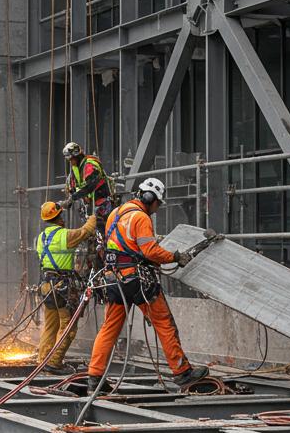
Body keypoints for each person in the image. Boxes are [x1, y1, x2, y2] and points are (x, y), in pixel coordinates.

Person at [86, 177, 209, 394]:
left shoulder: (116, 213)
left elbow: (119, 247)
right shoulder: (141, 217)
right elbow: (150, 251)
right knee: (163, 322)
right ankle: (182, 373)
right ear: (149, 198)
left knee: (109, 329)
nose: (157, 209)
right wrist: (175, 256)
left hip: (114, 280)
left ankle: (95, 378)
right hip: (137, 281)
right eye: (157, 204)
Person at [35, 201, 98, 373]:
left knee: (50, 326)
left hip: (46, 287)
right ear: (59, 217)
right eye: (61, 215)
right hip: (61, 288)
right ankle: (54, 362)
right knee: (69, 327)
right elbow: (86, 231)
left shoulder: (40, 238)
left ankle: (43, 360)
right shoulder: (65, 236)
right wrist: (93, 218)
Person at [61, 142, 113, 222]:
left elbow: (90, 187)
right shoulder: (75, 170)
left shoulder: (90, 165)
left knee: (103, 227)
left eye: (71, 159)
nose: (70, 162)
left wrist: (72, 199)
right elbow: (73, 188)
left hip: (102, 203)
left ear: (77, 156)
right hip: (90, 206)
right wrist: (67, 202)